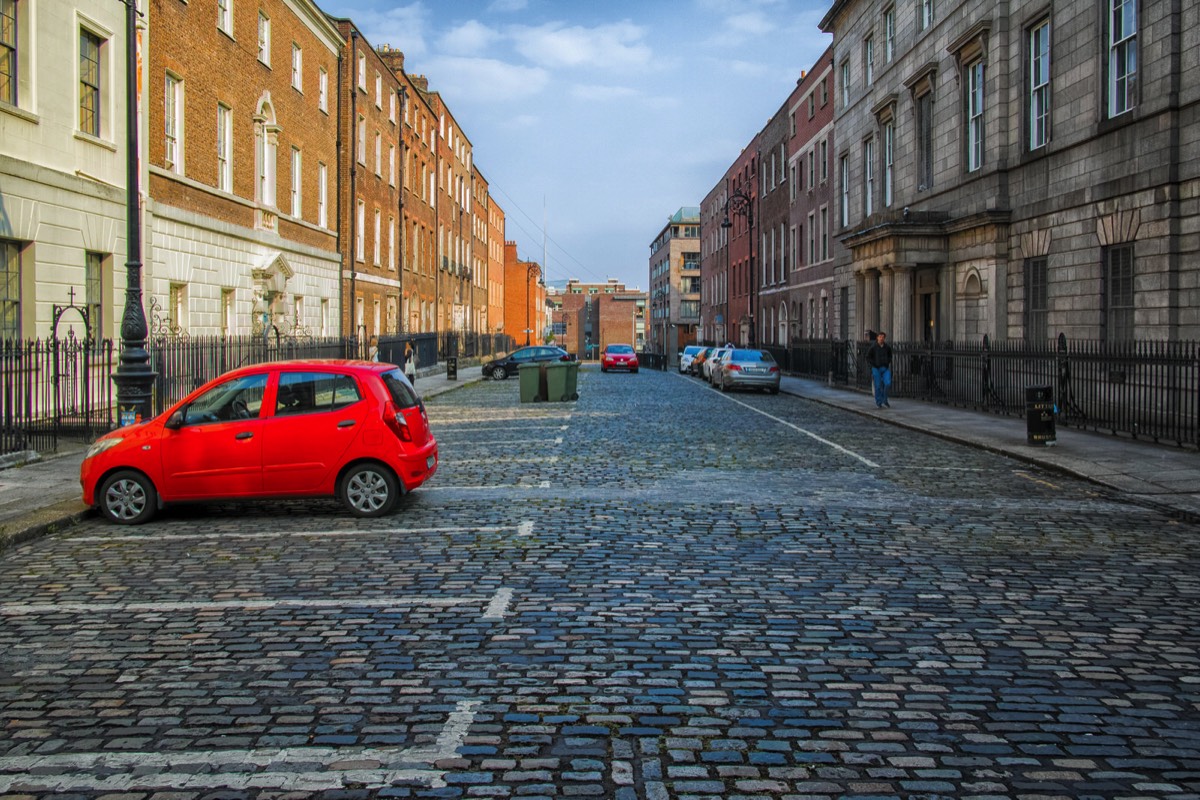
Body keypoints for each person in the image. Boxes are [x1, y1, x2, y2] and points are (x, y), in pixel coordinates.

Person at [866, 331, 892, 408]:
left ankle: (884, 399)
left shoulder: (887, 347)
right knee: (877, 386)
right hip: (876, 368)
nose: (881, 338)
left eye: (883, 337)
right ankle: (879, 401)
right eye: (880, 337)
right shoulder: (873, 347)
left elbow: (890, 356)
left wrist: (888, 361)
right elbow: (868, 357)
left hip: (885, 368)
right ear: (877, 338)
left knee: (887, 383)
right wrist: (872, 365)